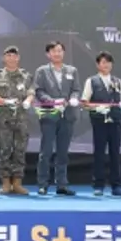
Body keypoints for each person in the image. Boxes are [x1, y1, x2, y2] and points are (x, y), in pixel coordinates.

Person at [33, 40, 82, 196]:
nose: (57, 53)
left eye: (60, 50)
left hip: (67, 115)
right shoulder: (42, 71)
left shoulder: (72, 70)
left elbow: (76, 89)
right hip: (49, 114)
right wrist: (53, 101)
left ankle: (62, 184)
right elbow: (38, 91)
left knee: (63, 152)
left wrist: (74, 98)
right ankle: (43, 184)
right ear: (48, 54)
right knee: (46, 151)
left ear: (63, 53)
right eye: (54, 51)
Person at [0, 45, 35, 195]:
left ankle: (17, 183)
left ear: (18, 58)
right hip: (4, 119)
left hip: (21, 119)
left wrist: (28, 101)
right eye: (8, 55)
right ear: (4, 58)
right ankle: (6, 182)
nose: (11, 58)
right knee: (4, 150)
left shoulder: (26, 75)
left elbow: (31, 92)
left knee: (20, 150)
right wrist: (4, 101)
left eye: (14, 55)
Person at [81, 51, 121, 197]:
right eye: (103, 62)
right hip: (99, 122)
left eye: (109, 62)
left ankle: (117, 185)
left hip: (115, 121)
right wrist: (97, 107)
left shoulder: (117, 81)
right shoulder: (91, 81)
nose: (106, 65)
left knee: (115, 153)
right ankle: (98, 185)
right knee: (99, 153)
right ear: (98, 65)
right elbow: (84, 103)